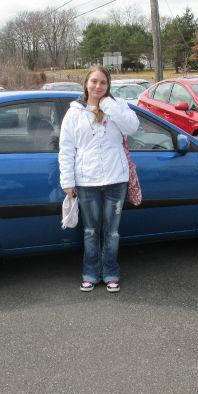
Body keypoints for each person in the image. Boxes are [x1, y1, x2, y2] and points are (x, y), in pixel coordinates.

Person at [58, 66, 139, 293]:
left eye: (103, 82)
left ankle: (111, 272)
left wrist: (108, 105)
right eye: (93, 81)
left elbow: (133, 127)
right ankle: (90, 273)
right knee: (91, 231)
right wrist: (68, 182)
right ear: (86, 84)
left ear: (108, 85)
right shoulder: (75, 112)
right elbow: (66, 149)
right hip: (87, 181)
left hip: (116, 180)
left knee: (112, 231)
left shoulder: (118, 106)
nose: (97, 86)